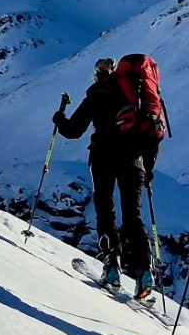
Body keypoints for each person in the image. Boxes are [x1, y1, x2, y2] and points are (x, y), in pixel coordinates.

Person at [54, 56, 164, 295]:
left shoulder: (97, 93)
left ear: (97, 75)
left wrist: (59, 119)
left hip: (103, 157)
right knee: (133, 216)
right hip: (134, 161)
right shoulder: (136, 95)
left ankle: (112, 266)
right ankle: (145, 273)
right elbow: (152, 132)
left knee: (105, 210)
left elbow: (74, 131)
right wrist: (149, 170)